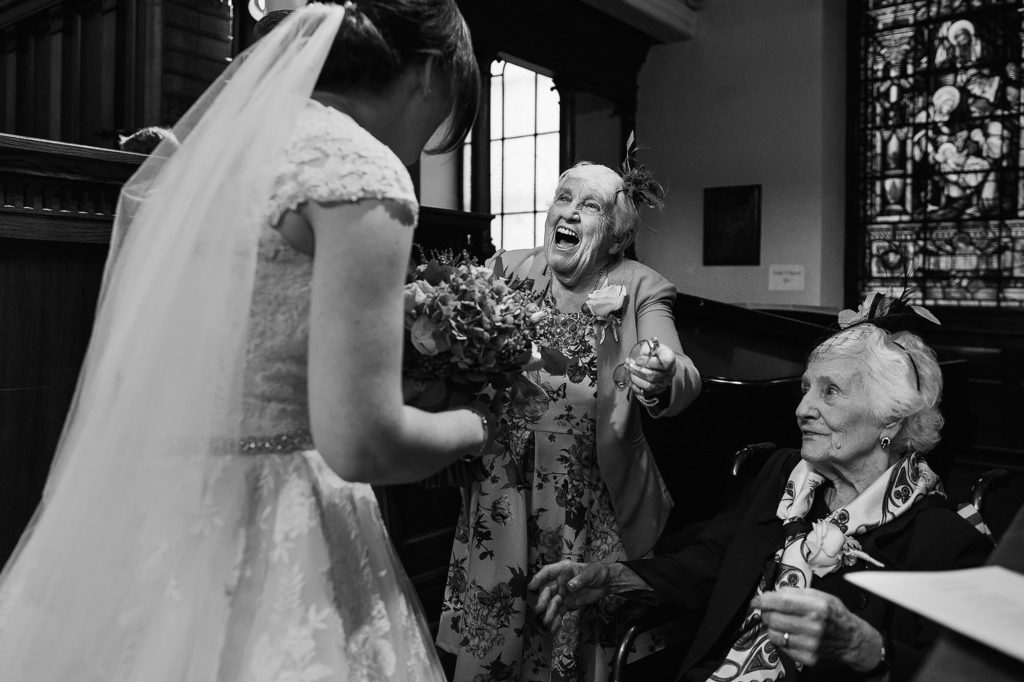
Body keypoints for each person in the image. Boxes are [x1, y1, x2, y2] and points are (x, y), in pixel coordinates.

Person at [0, 3, 484, 681]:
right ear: (431, 73)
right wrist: (470, 428)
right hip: (279, 518)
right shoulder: (361, 173)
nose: (429, 137)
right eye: (447, 115)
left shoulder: (214, 157)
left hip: (153, 507)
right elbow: (360, 442)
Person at [530, 301, 993, 681]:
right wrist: (613, 577)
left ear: (890, 419)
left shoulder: (943, 541)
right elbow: (709, 562)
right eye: (805, 388)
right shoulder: (783, 476)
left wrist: (867, 650)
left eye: (830, 392)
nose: (802, 409)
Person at [437, 161, 702, 681]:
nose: (570, 212)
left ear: (615, 237)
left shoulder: (642, 286)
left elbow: (680, 367)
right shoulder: (504, 271)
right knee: (496, 635)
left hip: (584, 498)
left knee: (570, 641)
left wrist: (663, 372)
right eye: (564, 198)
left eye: (590, 206)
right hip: (501, 490)